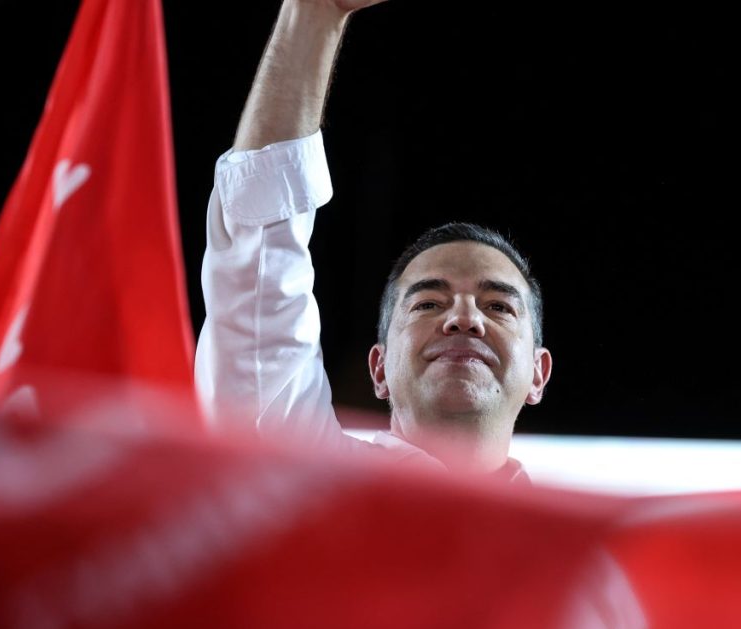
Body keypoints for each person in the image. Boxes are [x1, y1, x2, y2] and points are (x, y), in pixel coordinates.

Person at [195, 0, 551, 479]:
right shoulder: (313, 484)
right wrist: (315, 13)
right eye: (428, 303)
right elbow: (256, 270)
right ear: (379, 369)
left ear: (538, 373)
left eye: (499, 307)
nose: (464, 319)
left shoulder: (597, 526)